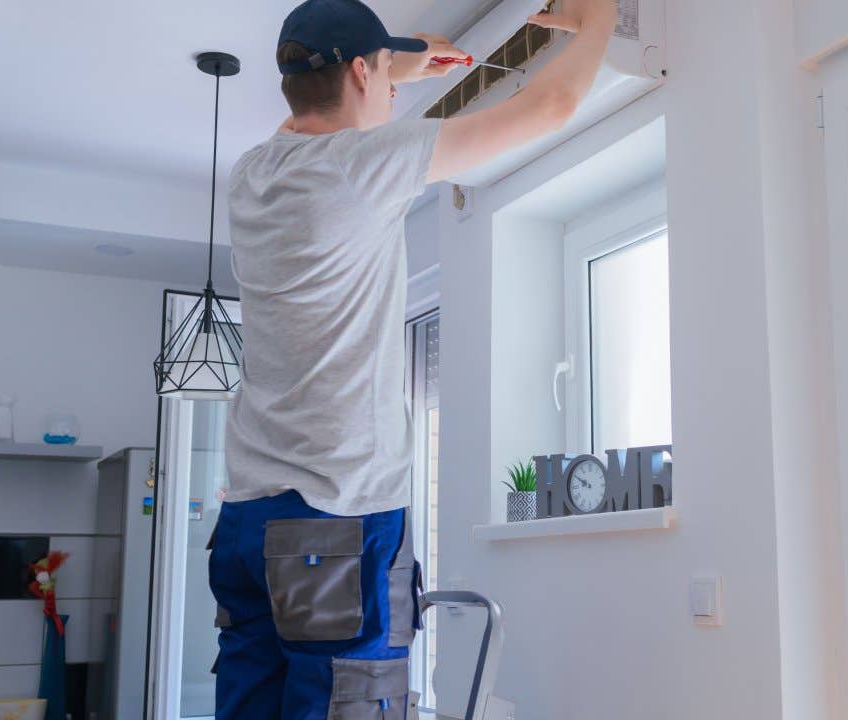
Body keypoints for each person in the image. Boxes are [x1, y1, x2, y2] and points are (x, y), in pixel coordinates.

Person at [209, 0, 617, 717]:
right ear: (361, 71)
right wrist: (602, 13)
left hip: (246, 520)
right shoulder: (363, 164)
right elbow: (551, 104)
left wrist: (390, 65)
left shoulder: (251, 175)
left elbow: (313, 106)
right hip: (332, 516)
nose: (396, 91)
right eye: (383, 75)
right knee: (349, 701)